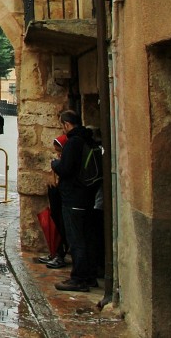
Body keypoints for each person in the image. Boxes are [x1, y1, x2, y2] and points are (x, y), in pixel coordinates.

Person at [51, 110, 100, 292]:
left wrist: (55, 164)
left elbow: (66, 169)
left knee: (76, 238)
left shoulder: (73, 143)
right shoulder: (89, 139)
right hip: (88, 196)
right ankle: (90, 276)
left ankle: (78, 278)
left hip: (74, 197)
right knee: (87, 237)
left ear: (66, 124)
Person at [36, 134, 69, 267]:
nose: (58, 153)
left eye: (59, 150)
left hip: (64, 199)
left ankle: (60, 255)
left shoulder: (64, 162)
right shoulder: (60, 160)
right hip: (57, 197)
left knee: (63, 228)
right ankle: (55, 252)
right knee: (58, 225)